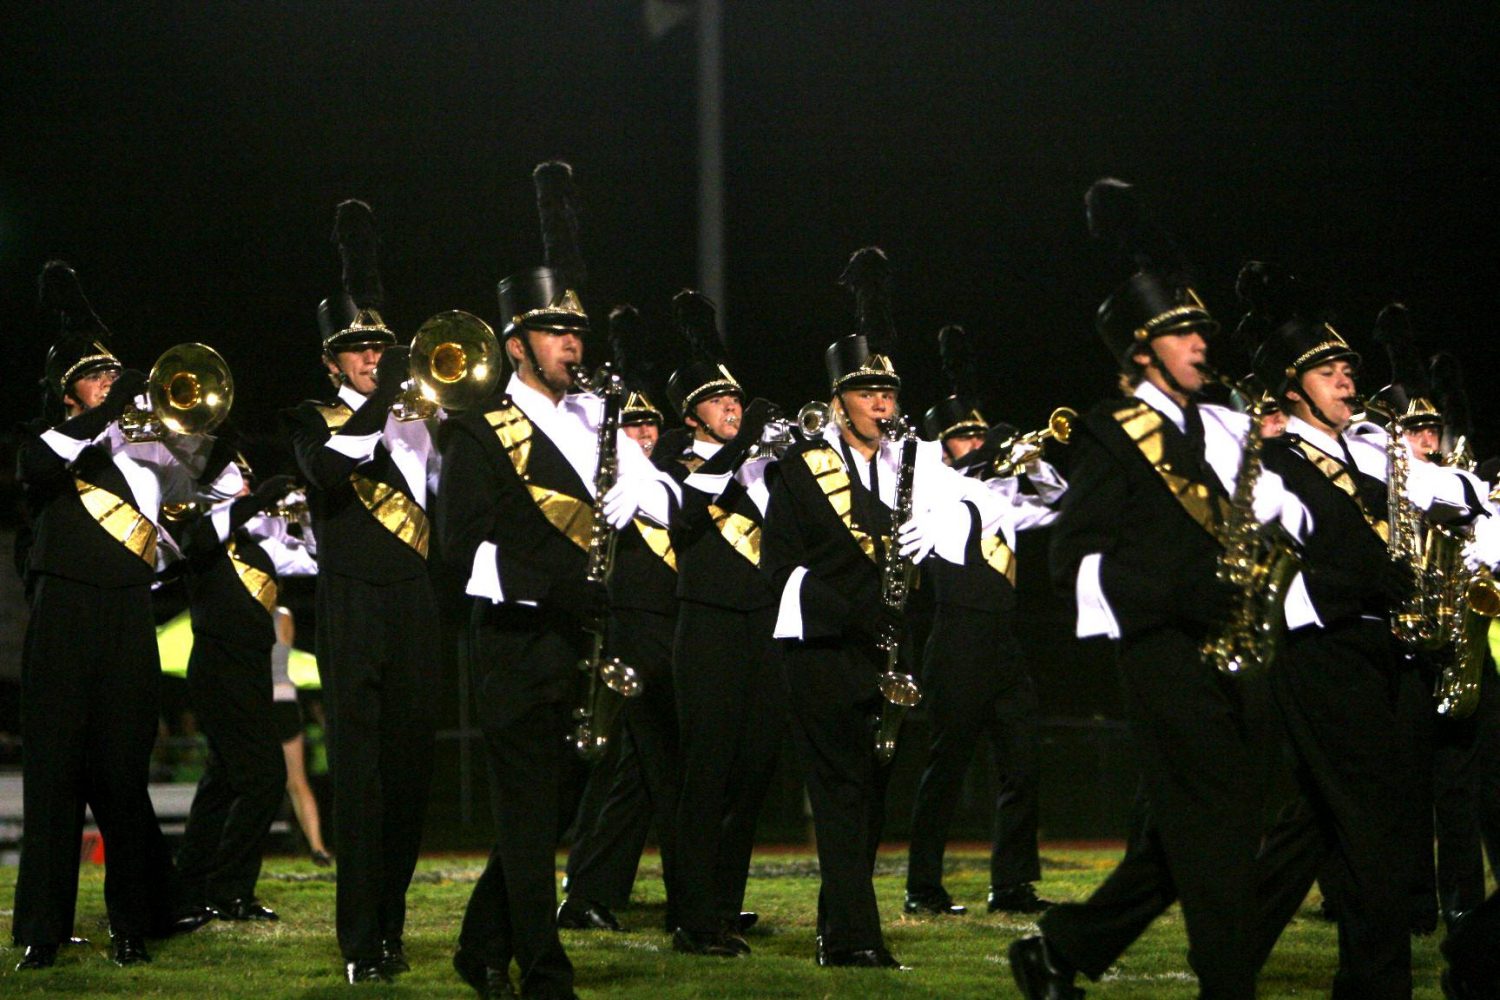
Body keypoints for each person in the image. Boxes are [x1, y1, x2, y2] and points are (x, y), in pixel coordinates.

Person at [1009, 215, 1312, 998]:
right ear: (1142, 351)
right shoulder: (1114, 433)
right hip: (1160, 657)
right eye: (1183, 337)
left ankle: (1063, 949)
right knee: (1214, 841)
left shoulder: (1210, 433)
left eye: (1202, 333)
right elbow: (1071, 556)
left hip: (1223, 651)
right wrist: (1178, 592)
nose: (1202, 346)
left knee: (1199, 834)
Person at [439, 181, 682, 997]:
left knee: (550, 815)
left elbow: (674, 502)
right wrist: (547, 590)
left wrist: (642, 494)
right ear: (516, 344)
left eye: (576, 330)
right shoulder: (476, 430)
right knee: (525, 817)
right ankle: (542, 969)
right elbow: (458, 555)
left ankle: (479, 948)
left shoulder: (597, 419)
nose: (572, 345)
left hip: (586, 645)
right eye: (555, 331)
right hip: (517, 642)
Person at [761, 247, 1008, 969]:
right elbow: (778, 573)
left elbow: (983, 512)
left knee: (869, 799)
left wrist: (947, 525)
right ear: (838, 400)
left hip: (884, 658)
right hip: (820, 653)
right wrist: (851, 612)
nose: (883, 405)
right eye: (868, 393)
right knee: (839, 793)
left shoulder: (909, 467)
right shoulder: (797, 472)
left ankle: (835, 921)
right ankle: (854, 940)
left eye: (889, 395)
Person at [1246, 315, 1485, 998]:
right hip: (1323, 649)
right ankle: (1380, 983)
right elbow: (1267, 568)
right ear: (1292, 391)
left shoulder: (1374, 455)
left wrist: (1465, 496)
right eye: (1329, 372)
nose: (1347, 381)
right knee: (1374, 823)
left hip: (1390, 646)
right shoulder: (1268, 462)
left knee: (1331, 824)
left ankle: (1229, 943)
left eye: (1350, 369)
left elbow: (1454, 494)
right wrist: (1351, 584)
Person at [12, 261, 215, 970]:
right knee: (54, 773)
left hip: (129, 617)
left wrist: (169, 418)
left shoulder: (145, 454)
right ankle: (41, 929)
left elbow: (202, 479)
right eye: (98, 378)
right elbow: (37, 470)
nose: (113, 386)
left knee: (124, 773)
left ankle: (135, 922)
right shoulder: (53, 441)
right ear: (70, 390)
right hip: (64, 612)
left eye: (115, 376)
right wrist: (104, 413)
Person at [282, 200, 440, 984]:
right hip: (349, 602)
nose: (374, 356)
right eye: (359, 348)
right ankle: (360, 939)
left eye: (382, 346)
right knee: (361, 775)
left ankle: (394, 925)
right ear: (332, 360)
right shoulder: (313, 416)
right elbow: (327, 471)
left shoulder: (423, 421)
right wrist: (389, 399)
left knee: (410, 773)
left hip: (415, 600)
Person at [904, 338, 1066, 918]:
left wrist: (1032, 459)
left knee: (1022, 765)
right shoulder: (933, 489)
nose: (976, 443)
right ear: (941, 447)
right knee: (945, 768)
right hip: (957, 640)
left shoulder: (999, 494)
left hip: (1004, 642)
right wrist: (989, 454)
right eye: (964, 436)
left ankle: (1012, 885)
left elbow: (1056, 503)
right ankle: (923, 886)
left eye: (979, 434)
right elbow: (952, 481)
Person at [658, 289, 783, 957]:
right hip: (705, 627)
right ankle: (692, 914)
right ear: (692, 415)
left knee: (755, 766)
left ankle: (725, 901)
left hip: (763, 627)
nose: (734, 408)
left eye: (737, 400)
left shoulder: (765, 465)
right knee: (705, 771)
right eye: (719, 402)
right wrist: (743, 454)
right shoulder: (673, 463)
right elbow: (691, 507)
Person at [560, 305, 684, 934]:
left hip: (663, 628)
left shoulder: (658, 478)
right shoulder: (603, 471)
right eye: (630, 425)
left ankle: (599, 886)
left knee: (640, 768)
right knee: (624, 766)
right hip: (625, 627)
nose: (641, 435)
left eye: (648, 425)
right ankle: (586, 889)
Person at [171, 454, 315, 922]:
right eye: (242, 480)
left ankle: (192, 887)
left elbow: (313, 561)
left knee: (224, 780)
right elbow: (204, 539)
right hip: (218, 668)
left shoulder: (260, 541)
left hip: (251, 671)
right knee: (264, 776)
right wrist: (259, 500)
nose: (249, 487)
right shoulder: (197, 528)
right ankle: (228, 889)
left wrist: (305, 517)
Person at [271, 606, 333, 866]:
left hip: (261, 702)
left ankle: (317, 847)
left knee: (253, 783)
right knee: (298, 782)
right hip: (285, 699)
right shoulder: (285, 615)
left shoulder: (248, 613)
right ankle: (318, 847)